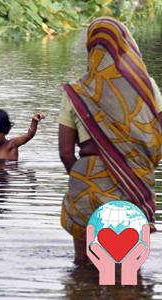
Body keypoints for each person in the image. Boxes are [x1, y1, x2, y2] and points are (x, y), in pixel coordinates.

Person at [58, 17, 162, 265]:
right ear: (126, 44)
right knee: (127, 270)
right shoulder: (148, 88)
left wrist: (87, 178)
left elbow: (64, 152)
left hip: (87, 181)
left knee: (82, 266)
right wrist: (137, 169)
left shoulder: (76, 91)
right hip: (133, 180)